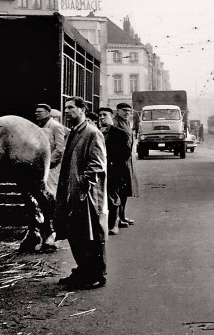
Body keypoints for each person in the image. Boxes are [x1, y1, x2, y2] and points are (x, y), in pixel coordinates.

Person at [54, 96, 108, 288]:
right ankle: (82, 270)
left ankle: (96, 276)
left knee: (91, 235)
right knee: (77, 233)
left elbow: (97, 164)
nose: (67, 111)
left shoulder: (92, 133)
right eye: (65, 108)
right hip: (73, 192)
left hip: (87, 195)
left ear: (82, 109)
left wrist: (83, 185)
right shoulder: (74, 132)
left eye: (71, 108)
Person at [98, 107, 130, 235]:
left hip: (113, 170)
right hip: (99, 169)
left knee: (112, 197)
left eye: (104, 115)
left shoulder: (119, 133)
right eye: (100, 115)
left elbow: (125, 153)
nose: (101, 117)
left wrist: (115, 166)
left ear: (111, 116)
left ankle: (114, 224)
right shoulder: (97, 132)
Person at [113, 102, 139, 227]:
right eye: (124, 110)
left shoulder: (126, 122)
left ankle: (122, 216)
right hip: (119, 162)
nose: (127, 113)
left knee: (125, 191)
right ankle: (117, 219)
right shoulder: (115, 123)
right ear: (117, 111)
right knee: (119, 191)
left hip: (127, 161)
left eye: (129, 111)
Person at [34, 104, 66, 197]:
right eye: (36, 112)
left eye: (39, 112)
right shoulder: (39, 125)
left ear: (47, 113)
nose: (36, 114)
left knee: (52, 188)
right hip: (42, 164)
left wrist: (50, 161)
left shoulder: (56, 126)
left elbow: (60, 147)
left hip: (52, 166)